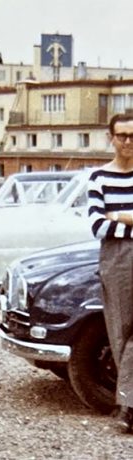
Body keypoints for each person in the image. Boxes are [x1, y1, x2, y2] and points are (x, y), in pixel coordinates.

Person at [88, 113, 133, 433]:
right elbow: (97, 225)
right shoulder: (99, 177)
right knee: (120, 330)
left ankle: (128, 405)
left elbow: (112, 220)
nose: (128, 142)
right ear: (111, 137)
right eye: (122, 136)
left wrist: (121, 215)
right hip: (117, 259)